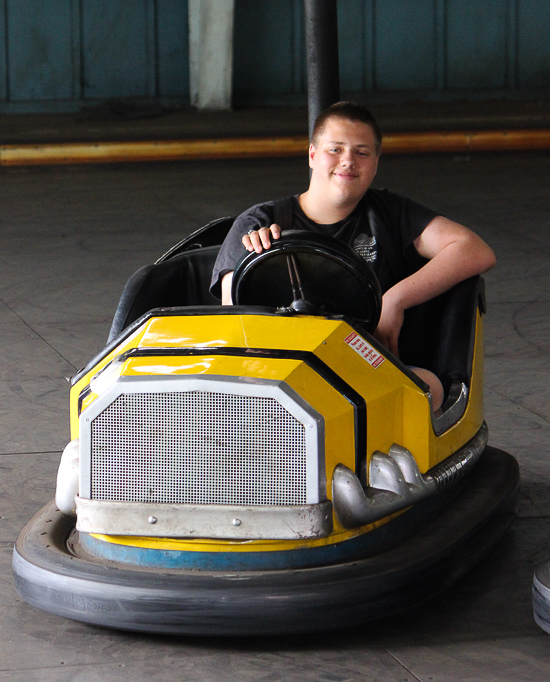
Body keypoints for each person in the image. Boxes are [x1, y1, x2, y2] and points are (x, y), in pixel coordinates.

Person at [210, 102, 496, 411]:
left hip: (366, 371)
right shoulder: (259, 225)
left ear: (375, 163)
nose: (348, 161)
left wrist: (394, 300)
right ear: (312, 155)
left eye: (361, 153)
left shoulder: (388, 214)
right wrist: (254, 260)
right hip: (281, 376)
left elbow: (474, 249)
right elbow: (237, 326)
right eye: (335, 149)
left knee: (427, 388)